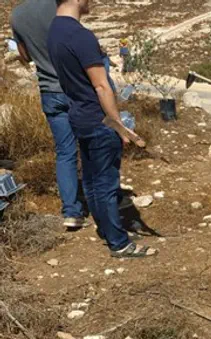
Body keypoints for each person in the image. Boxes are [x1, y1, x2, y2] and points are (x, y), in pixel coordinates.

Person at [48, 0, 156, 258]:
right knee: (106, 183)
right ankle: (119, 243)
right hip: (98, 118)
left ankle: (108, 231)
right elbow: (101, 86)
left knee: (93, 182)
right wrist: (119, 126)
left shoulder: (54, 31)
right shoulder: (80, 35)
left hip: (79, 115)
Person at [11, 0, 87, 229]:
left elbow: (25, 56)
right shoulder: (62, 5)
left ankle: (71, 211)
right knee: (92, 145)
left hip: (49, 91)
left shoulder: (17, 14)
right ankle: (105, 200)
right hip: (77, 88)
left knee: (65, 152)